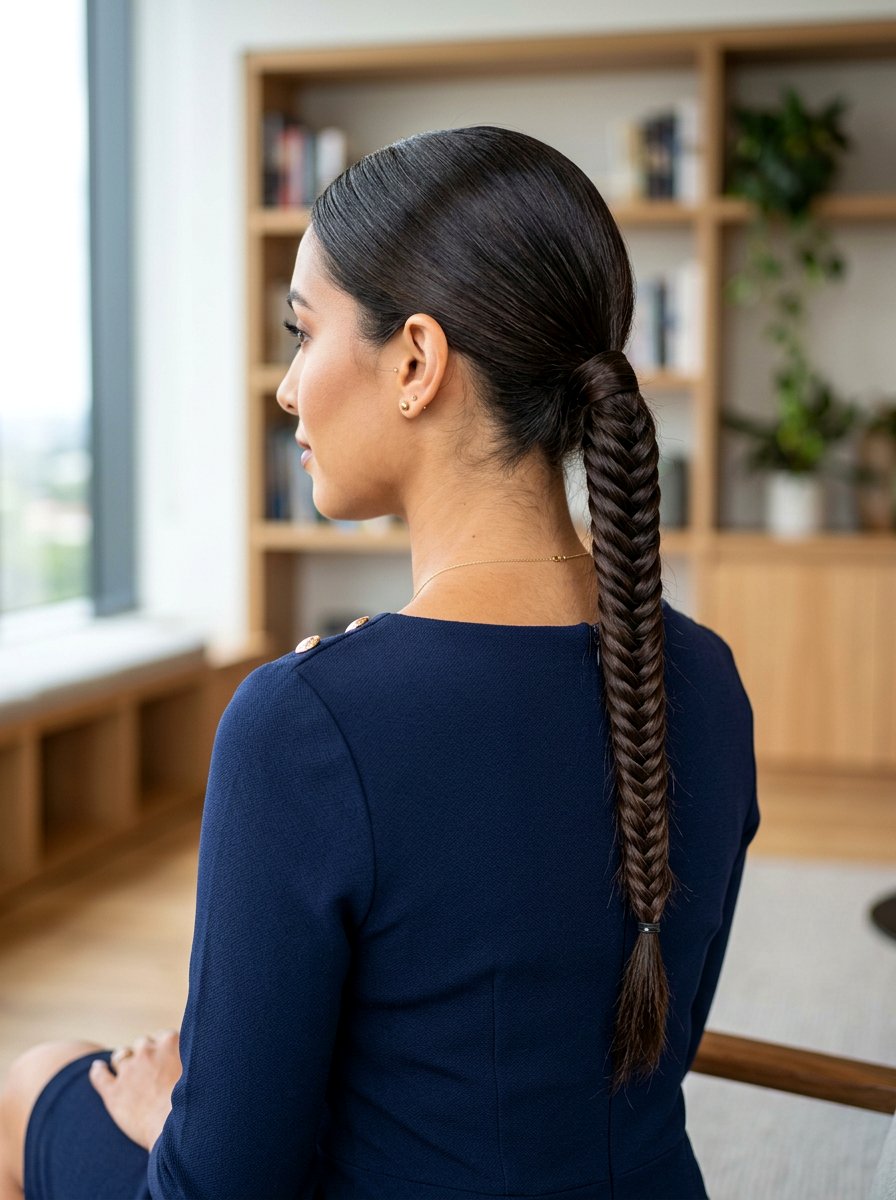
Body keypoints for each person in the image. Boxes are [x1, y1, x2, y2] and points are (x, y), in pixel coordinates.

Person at [0, 125, 759, 1199]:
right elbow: (640, 1044)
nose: (285, 389)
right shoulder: (703, 680)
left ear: (414, 361)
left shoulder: (306, 726)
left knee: (29, 1087)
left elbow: (218, 1188)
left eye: (301, 334)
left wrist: (191, 1112)